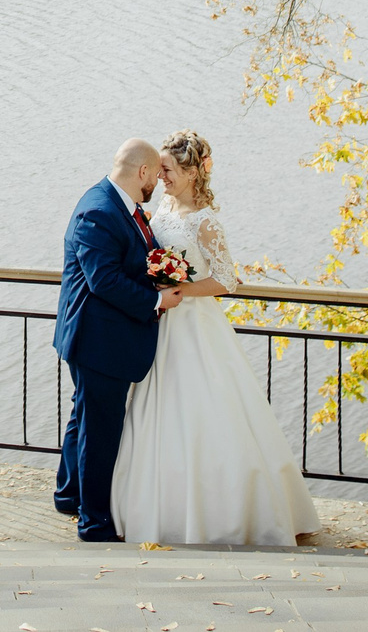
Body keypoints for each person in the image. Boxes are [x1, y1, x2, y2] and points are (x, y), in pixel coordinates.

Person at [108, 130, 319, 547]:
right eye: (160, 170)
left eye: (168, 170)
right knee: (154, 412)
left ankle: (224, 515)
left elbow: (226, 280)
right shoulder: (162, 207)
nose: (161, 177)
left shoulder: (204, 221)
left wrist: (181, 289)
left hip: (194, 326)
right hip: (162, 323)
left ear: (191, 173)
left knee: (206, 411)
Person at [54, 138, 164, 542]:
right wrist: (157, 300)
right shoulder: (99, 211)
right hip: (97, 340)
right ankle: (94, 522)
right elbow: (104, 281)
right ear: (143, 172)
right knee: (100, 432)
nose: (157, 184)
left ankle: (69, 495)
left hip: (99, 337)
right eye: (156, 175)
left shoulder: (121, 206)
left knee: (85, 417)